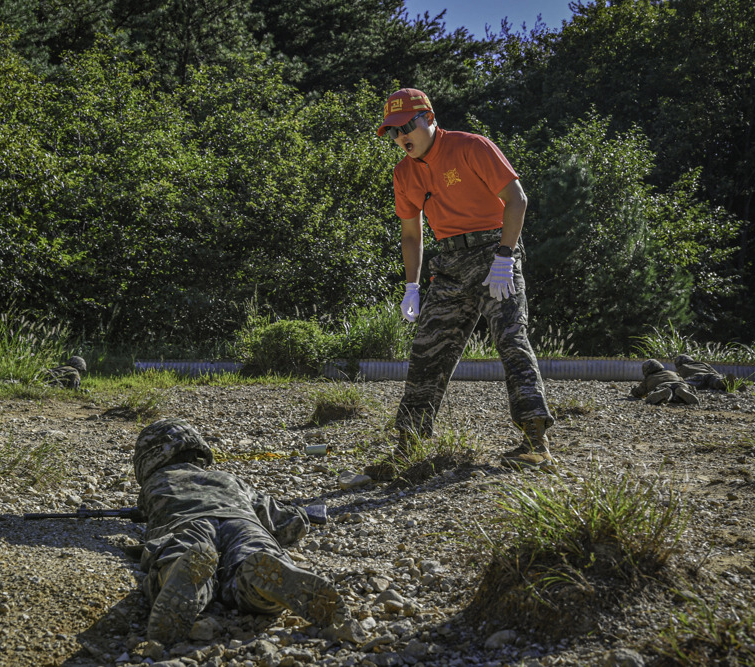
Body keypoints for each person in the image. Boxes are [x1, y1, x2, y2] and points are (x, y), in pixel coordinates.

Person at [372, 88, 555, 473]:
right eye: (392, 131)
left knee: (511, 338)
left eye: (407, 126)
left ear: (428, 118)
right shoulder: (403, 172)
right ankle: (407, 448)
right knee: (427, 350)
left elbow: (517, 199)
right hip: (450, 264)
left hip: (494, 253)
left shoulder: (472, 146)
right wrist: (412, 285)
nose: (401, 136)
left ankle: (536, 443)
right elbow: (411, 234)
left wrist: (505, 257)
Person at [132, 418, 362, 646]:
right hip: (242, 522)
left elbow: (151, 513)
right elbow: (280, 520)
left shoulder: (154, 484)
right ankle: (263, 584)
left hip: (189, 524)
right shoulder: (227, 479)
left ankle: (177, 574)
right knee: (255, 550)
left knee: (179, 551)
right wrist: (301, 516)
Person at [631, 359, 700, 405]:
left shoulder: (649, 378)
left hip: (663, 385)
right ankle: (683, 392)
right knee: (682, 391)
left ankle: (665, 394)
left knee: (657, 391)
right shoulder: (672, 372)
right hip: (679, 384)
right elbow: (682, 380)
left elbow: (639, 392)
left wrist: (633, 390)